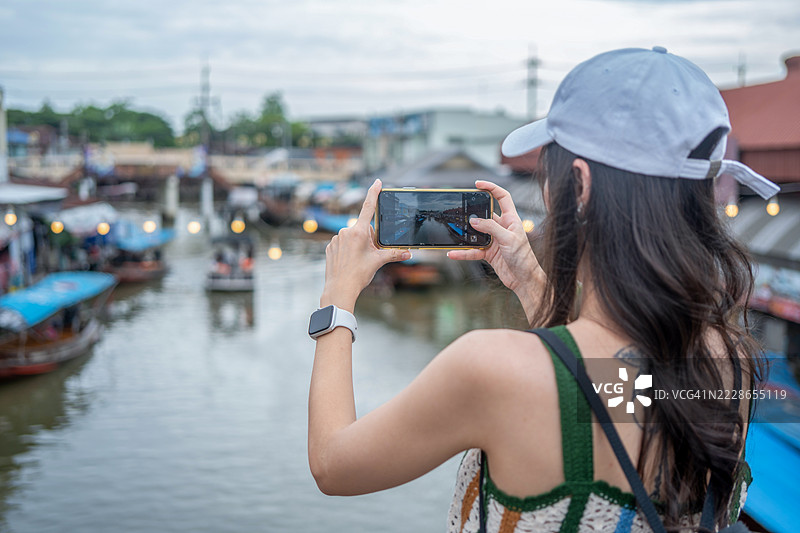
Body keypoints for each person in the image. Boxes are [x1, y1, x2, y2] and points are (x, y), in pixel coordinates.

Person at [307, 47, 778, 532]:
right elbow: (608, 394)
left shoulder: (490, 370)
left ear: (580, 183)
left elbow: (332, 463)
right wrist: (529, 281)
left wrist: (336, 300)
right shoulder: (726, 362)